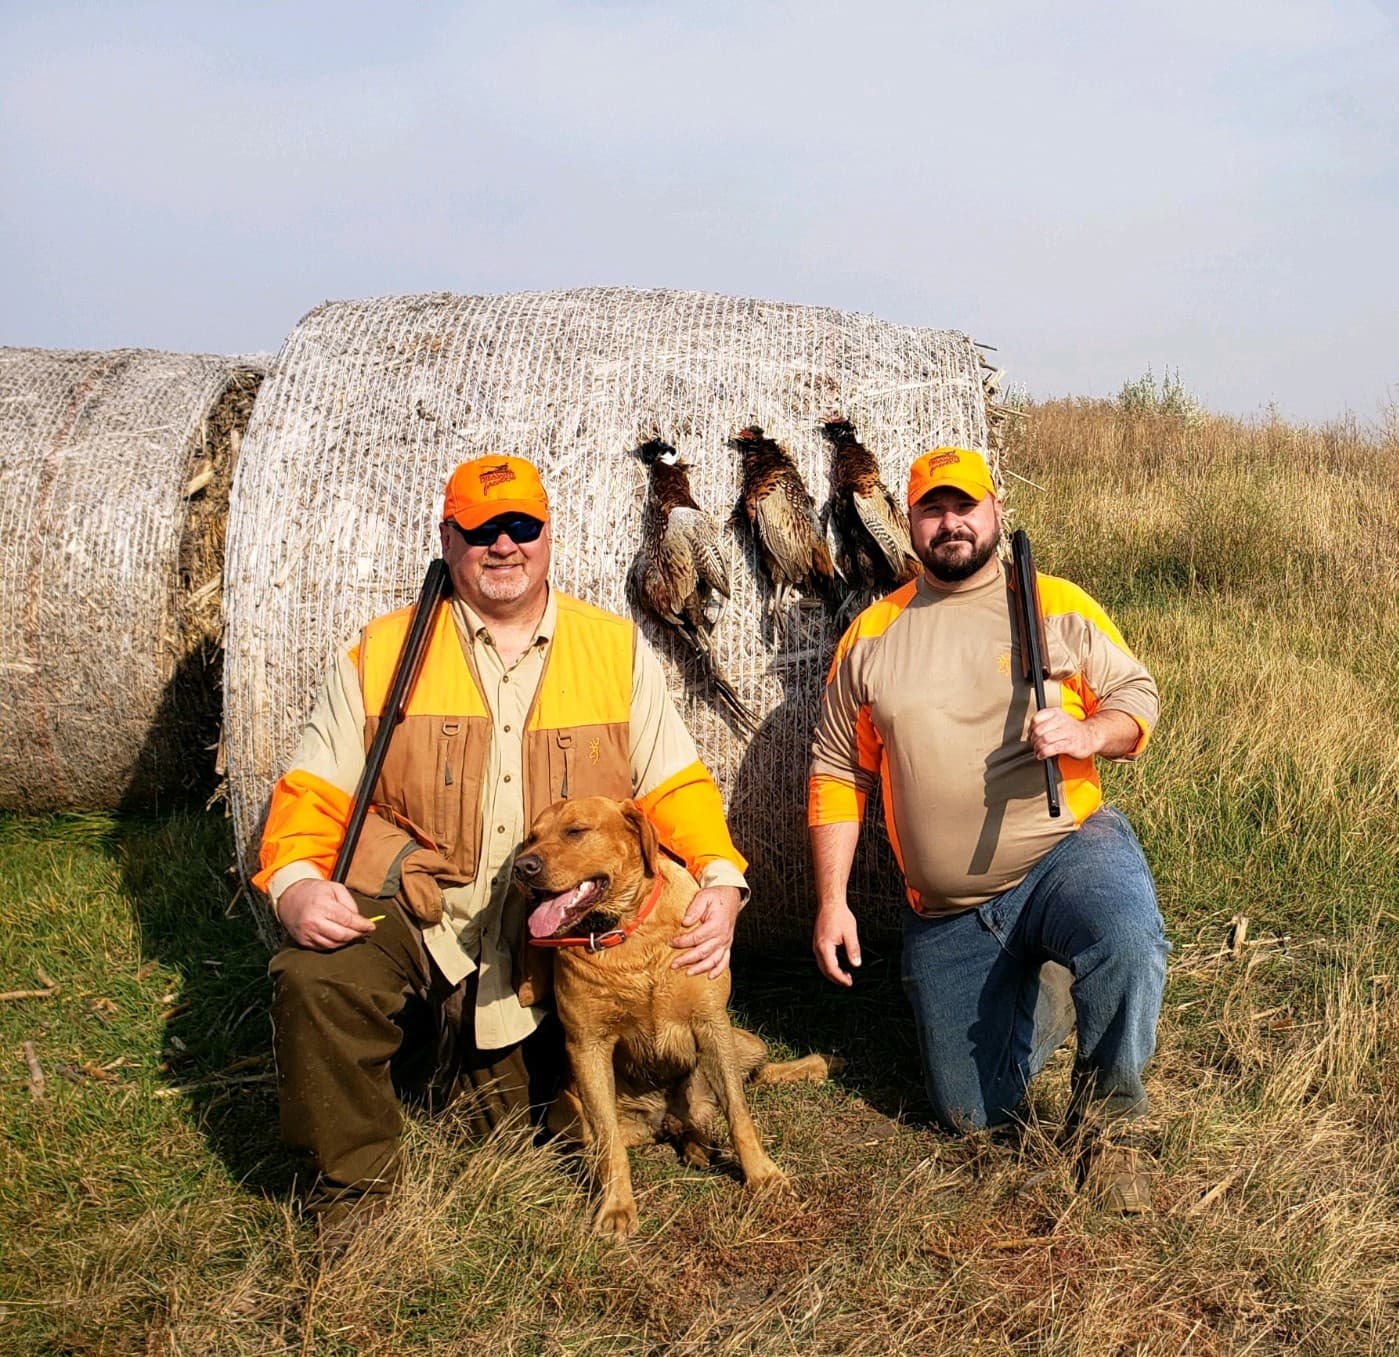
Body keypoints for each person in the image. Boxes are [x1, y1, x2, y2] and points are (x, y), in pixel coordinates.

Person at [258, 455, 748, 1238]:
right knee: (317, 975)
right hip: (424, 917)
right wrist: (294, 882)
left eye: (521, 525)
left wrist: (721, 881)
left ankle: (442, 1060)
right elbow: (314, 788)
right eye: (480, 529)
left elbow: (673, 787)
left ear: (549, 535)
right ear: (447, 538)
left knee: (511, 1128)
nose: (502, 544)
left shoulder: (612, 650)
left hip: (538, 948)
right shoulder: (383, 651)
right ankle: (355, 1203)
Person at [808, 446, 1168, 1212]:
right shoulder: (872, 635)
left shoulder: (1052, 601)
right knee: (971, 1116)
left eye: (964, 505)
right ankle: (1054, 995)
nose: (951, 523)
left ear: (994, 510)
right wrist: (831, 899)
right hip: (947, 907)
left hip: (1066, 849)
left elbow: (1137, 695)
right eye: (933, 509)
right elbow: (839, 768)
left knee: (1126, 933)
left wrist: (1089, 733)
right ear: (908, 523)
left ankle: (1111, 1128)